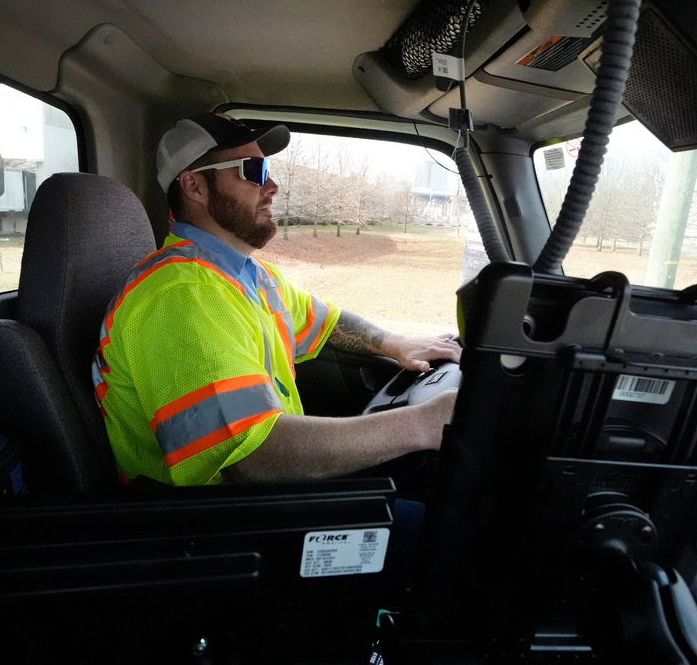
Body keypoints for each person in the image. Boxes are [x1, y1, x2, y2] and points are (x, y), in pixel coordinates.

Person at [91, 113, 460, 491]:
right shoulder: (180, 295)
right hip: (216, 525)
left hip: (269, 497)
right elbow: (251, 459)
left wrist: (394, 343)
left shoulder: (248, 275)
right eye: (252, 170)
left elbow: (326, 321)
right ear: (195, 186)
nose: (272, 186)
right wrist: (421, 424)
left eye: (266, 167)